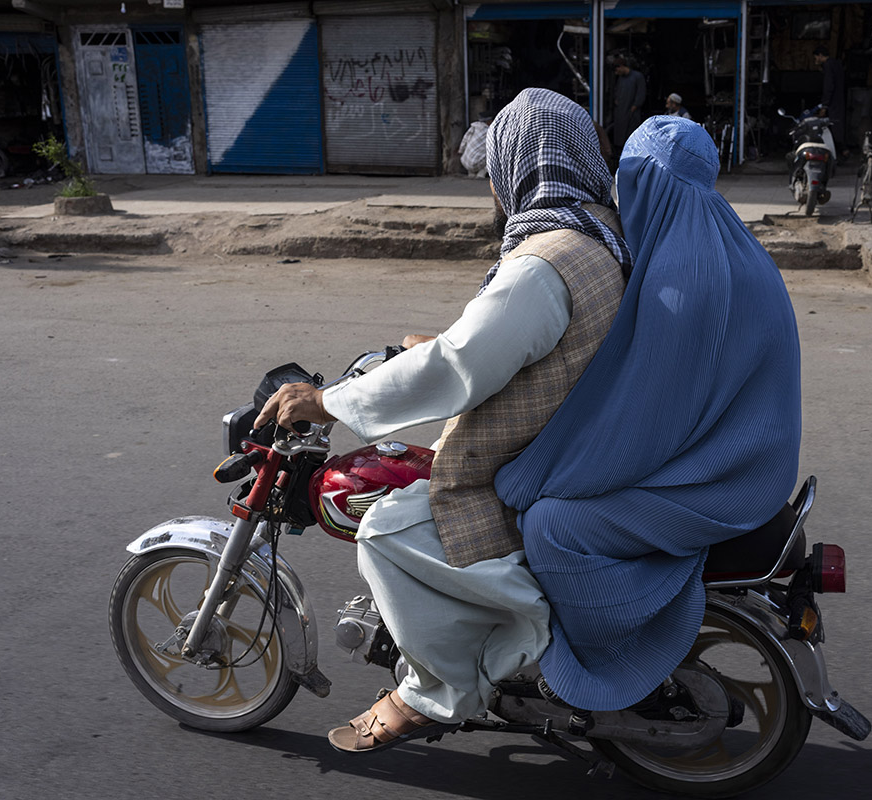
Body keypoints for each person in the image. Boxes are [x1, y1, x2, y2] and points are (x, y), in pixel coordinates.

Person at [253, 88, 631, 753]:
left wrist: (329, 400)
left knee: (384, 528)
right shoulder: (597, 233)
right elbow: (512, 344)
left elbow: (454, 371)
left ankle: (437, 693)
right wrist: (442, 346)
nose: (490, 182)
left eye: (494, 165)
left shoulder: (541, 265)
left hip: (519, 464)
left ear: (519, 163)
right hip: (572, 440)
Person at [496, 116, 801, 712]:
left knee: (550, 524)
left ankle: (610, 675)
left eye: (626, 182)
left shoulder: (678, 280)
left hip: (723, 485)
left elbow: (637, 431)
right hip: (749, 462)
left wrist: (527, 473)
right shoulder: (729, 241)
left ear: (643, 185)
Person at [813, 45, 848, 157]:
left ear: (820, 56)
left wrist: (825, 105)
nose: (815, 60)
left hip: (833, 101)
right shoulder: (836, 64)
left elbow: (829, 86)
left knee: (833, 125)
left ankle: (840, 151)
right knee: (838, 124)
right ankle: (842, 149)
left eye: (816, 57)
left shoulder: (828, 66)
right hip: (840, 99)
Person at [611, 56, 646, 151]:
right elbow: (617, 91)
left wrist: (634, 107)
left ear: (621, 66)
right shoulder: (620, 78)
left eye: (617, 69)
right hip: (620, 111)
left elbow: (641, 94)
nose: (616, 72)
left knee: (630, 135)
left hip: (631, 112)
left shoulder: (637, 77)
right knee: (619, 136)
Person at [458, 110, 492, 178]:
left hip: (464, 161)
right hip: (476, 163)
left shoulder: (473, 127)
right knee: (493, 155)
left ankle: (471, 174)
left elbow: (464, 141)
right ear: (489, 121)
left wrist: (460, 151)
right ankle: (481, 175)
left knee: (476, 152)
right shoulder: (490, 131)